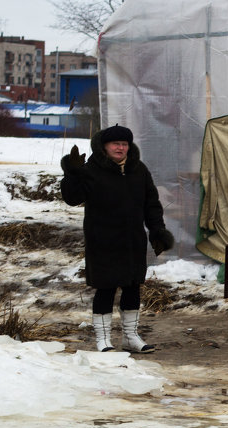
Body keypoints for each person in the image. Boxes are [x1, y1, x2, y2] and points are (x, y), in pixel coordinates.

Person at [60, 124, 174, 353]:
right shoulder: (91, 169)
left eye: (124, 144)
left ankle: (130, 337)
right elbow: (72, 198)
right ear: (105, 146)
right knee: (106, 288)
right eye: (116, 144)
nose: (121, 148)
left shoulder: (138, 169)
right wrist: (72, 173)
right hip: (102, 240)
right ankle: (103, 340)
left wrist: (158, 231)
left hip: (132, 240)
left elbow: (151, 204)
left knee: (132, 288)